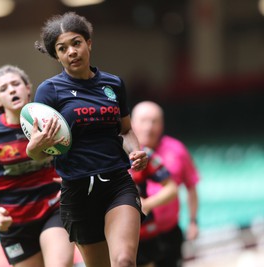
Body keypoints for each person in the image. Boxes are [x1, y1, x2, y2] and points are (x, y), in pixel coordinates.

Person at [26, 12, 148, 267]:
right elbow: (37, 152)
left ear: (89, 43)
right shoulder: (49, 91)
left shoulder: (113, 85)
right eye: (62, 48)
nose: (71, 51)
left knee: (124, 260)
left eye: (76, 43)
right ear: (56, 55)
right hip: (77, 191)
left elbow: (125, 130)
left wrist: (135, 151)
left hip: (117, 184)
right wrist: (35, 147)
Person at [0, 65, 75, 267]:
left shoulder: (51, 122)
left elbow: (75, 156)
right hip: (14, 222)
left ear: (28, 88)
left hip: (54, 209)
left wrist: (72, 182)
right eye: (4, 88)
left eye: (16, 84)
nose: (12, 90)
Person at [131, 101, 200, 267]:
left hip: (168, 230)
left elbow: (191, 186)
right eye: (144, 121)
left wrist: (193, 221)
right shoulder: (120, 153)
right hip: (136, 235)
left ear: (162, 124)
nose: (149, 127)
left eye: (154, 121)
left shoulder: (176, 149)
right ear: (131, 123)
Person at [129, 148, 178, 267]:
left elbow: (171, 188)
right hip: (110, 234)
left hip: (144, 232)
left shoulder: (142, 154)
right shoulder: (94, 154)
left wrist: (146, 204)